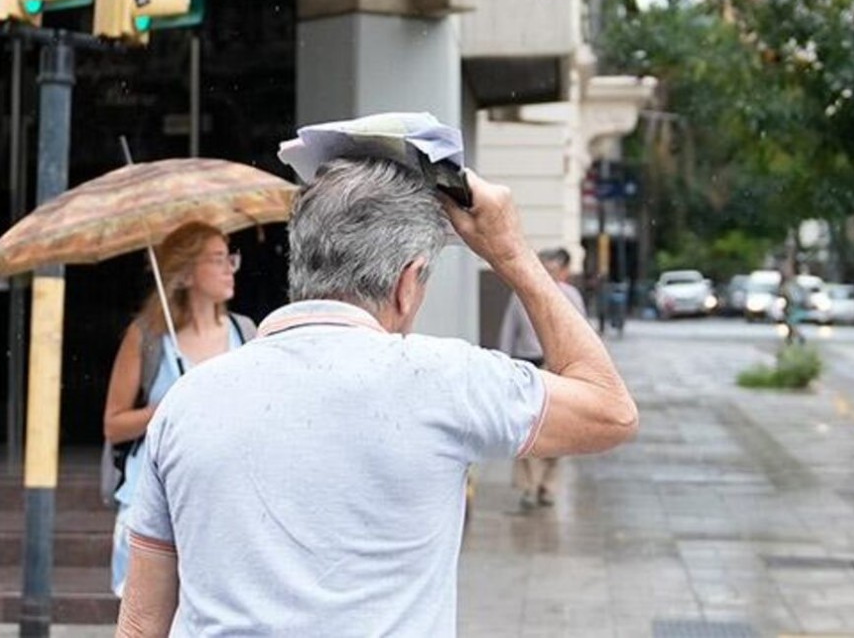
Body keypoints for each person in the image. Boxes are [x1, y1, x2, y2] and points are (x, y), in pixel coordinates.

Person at [117, 159, 637, 636]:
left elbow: (142, 622)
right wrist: (511, 253)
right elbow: (610, 410)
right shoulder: (445, 380)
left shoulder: (186, 401)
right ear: (408, 284)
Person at [102, 221, 256, 597]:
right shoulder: (147, 338)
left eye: (230, 258)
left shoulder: (247, 333)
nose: (228, 268)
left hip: (227, 498)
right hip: (154, 501)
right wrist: (164, 410)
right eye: (217, 259)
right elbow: (113, 425)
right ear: (186, 273)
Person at [498, 247, 586, 510]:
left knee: (558, 428)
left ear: (563, 271)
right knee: (524, 427)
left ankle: (547, 485)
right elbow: (508, 331)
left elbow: (583, 333)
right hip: (527, 364)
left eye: (553, 268)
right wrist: (503, 365)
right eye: (543, 266)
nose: (547, 272)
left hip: (558, 366)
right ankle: (527, 487)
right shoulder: (520, 295)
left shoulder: (570, 296)